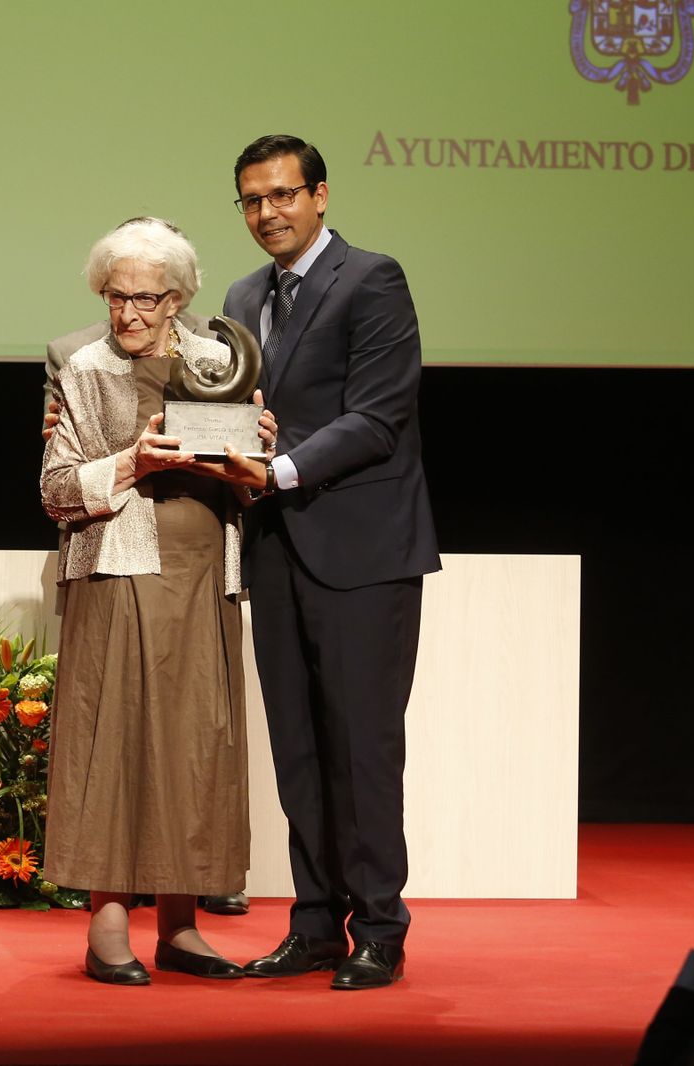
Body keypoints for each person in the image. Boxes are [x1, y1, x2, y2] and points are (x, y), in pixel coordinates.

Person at [222, 135, 439, 990]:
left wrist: (275, 468)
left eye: (281, 195)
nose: (267, 213)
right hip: (274, 546)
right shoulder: (243, 293)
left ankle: (380, 926)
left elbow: (380, 416)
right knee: (299, 748)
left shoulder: (373, 279)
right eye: (251, 200)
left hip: (362, 550)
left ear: (319, 195)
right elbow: (239, 407)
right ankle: (315, 923)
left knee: (363, 748)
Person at [40, 219, 272, 985]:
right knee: (118, 742)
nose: (128, 314)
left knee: (194, 744)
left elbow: (250, 480)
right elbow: (55, 490)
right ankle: (109, 924)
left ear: (178, 300)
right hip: (119, 570)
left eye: (146, 299)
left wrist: (258, 453)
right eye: (115, 297)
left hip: (205, 572)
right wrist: (130, 462)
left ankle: (180, 928)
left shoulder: (219, 363)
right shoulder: (83, 368)